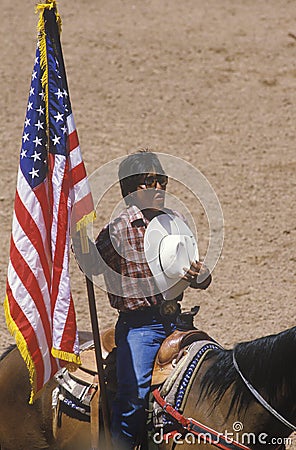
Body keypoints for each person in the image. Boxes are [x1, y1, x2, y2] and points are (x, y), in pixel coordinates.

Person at [82, 150, 211, 449]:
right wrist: (79, 238)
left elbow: (200, 279)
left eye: (161, 181)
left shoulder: (175, 221)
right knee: (133, 398)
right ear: (129, 191)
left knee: (211, 374)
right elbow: (91, 266)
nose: (158, 189)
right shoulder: (119, 228)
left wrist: (200, 275)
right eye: (147, 182)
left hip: (177, 321)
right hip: (139, 328)